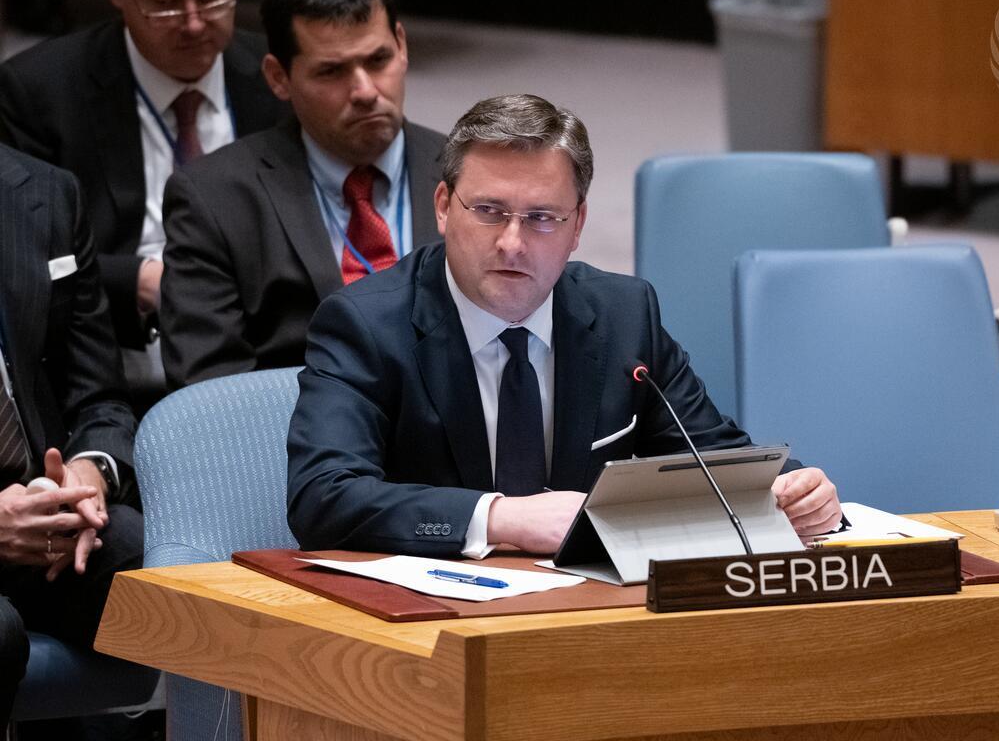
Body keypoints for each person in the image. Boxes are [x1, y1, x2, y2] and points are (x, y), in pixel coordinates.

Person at [287, 94, 841, 558]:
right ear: (443, 207)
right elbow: (323, 497)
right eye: (488, 211)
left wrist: (791, 489)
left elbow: (715, 460)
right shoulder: (366, 323)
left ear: (578, 226)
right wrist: (500, 518)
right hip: (430, 616)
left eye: (542, 218)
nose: (512, 243)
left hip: (589, 608)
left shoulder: (625, 314)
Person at [0, 0, 285, 400]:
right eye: (166, 4)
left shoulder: (282, 77)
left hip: (261, 364)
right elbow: (26, 259)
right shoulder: (39, 92)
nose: (194, 23)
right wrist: (142, 281)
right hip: (107, 372)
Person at [159, 0, 445, 389]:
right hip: (293, 427)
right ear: (278, 77)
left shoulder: (468, 173)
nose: (365, 91)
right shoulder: (215, 200)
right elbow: (210, 396)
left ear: (401, 46)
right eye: (332, 71)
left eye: (378, 60)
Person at [0, 143, 143, 726]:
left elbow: (98, 395)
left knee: (178, 583)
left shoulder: (47, 192)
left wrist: (88, 476)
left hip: (49, 512)